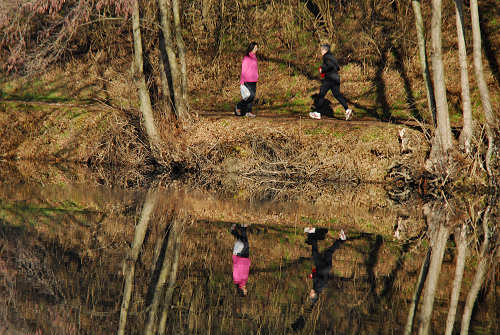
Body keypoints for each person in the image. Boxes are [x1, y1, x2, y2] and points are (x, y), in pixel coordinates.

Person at [309, 44, 352, 121]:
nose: (321, 52)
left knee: (321, 94)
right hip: (336, 78)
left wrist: (323, 69)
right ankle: (347, 109)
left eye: (321, 50)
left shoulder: (326, 56)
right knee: (337, 95)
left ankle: (317, 113)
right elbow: (337, 68)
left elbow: (330, 66)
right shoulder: (332, 57)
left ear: (325, 50)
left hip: (329, 79)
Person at [304, 227, 346, 303]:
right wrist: (313, 275)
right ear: (315, 294)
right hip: (323, 267)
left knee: (328, 252)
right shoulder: (318, 287)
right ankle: (312, 233)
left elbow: (319, 277)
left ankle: (341, 239)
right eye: (311, 294)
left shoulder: (316, 288)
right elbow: (322, 280)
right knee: (315, 253)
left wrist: (314, 274)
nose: (310, 293)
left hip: (325, 267)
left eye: (310, 294)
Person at [235, 42, 259, 118]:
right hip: (247, 80)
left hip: (254, 80)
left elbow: (255, 69)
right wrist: (242, 80)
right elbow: (243, 70)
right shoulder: (246, 58)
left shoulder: (255, 57)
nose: (256, 49)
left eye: (257, 48)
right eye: (255, 48)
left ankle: (248, 112)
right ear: (251, 48)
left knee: (252, 97)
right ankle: (239, 106)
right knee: (249, 96)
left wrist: (257, 76)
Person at [231, 224, 251, 296]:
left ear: (241, 290)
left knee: (244, 243)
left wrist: (237, 258)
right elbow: (246, 270)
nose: (246, 290)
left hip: (239, 257)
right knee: (245, 242)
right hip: (246, 259)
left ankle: (243, 227)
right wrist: (248, 264)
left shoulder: (237, 280)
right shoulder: (244, 281)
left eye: (245, 292)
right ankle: (234, 231)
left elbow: (236, 268)